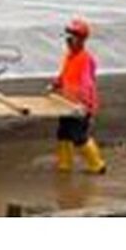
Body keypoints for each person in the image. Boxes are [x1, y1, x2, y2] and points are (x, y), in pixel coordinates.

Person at [50, 18, 107, 175]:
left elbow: (87, 85)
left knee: (78, 137)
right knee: (63, 134)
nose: (68, 41)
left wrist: (86, 106)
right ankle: (65, 164)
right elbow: (65, 75)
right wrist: (56, 83)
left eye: (72, 37)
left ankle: (97, 165)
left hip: (80, 106)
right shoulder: (70, 56)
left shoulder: (85, 59)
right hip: (67, 103)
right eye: (67, 37)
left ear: (81, 39)